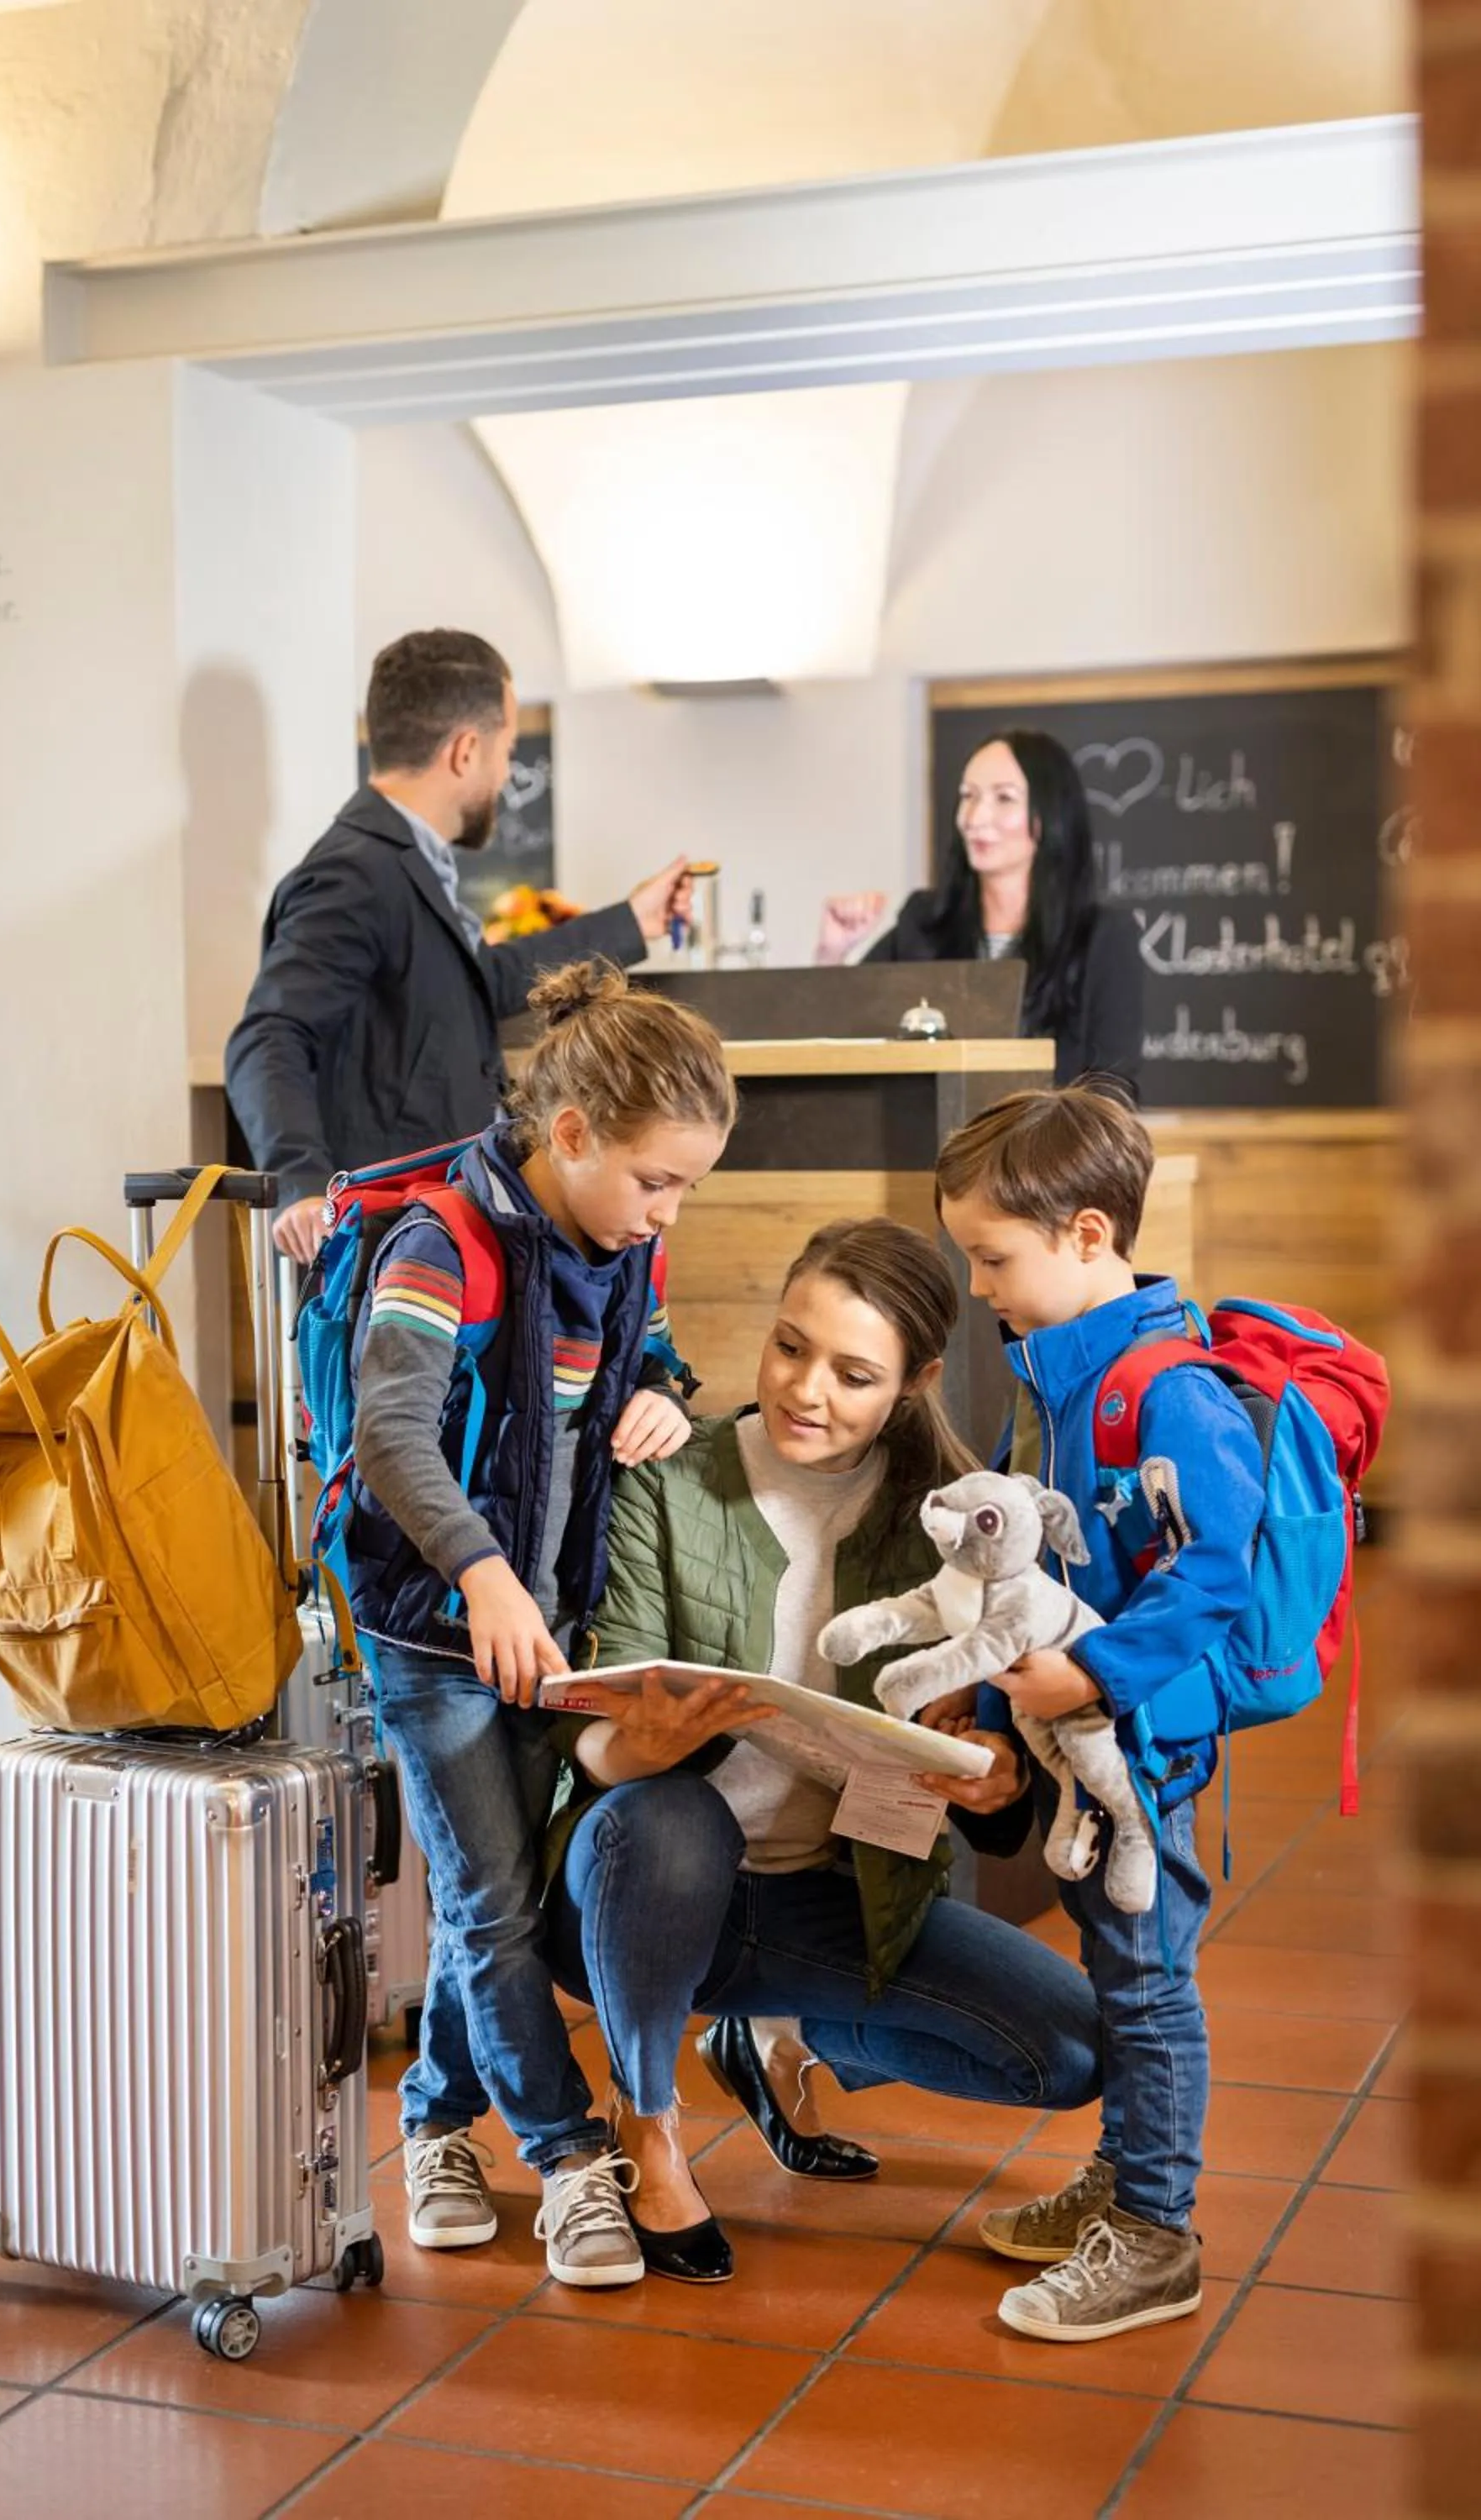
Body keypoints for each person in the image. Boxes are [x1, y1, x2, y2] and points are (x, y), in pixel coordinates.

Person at [541, 1218, 1104, 2283]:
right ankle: (646, 2131)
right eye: (789, 1347)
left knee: (1067, 2053)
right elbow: (590, 1753)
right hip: (638, 1890)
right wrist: (634, 1747)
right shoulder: (668, 1475)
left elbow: (1001, 1772)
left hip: (826, 1901)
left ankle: (781, 2037)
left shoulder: (960, 1519)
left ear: (914, 1381)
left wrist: (993, 1781)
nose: (804, 1391)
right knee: (670, 1818)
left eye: (853, 1375)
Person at [348, 959, 737, 2290]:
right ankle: (571, 2158)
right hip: (434, 1625)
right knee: (493, 1902)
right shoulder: (437, 1245)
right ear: (569, 1134)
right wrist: (482, 1576)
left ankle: (434, 2126)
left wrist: (667, 1395)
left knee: (491, 1895)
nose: (667, 1212)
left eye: (686, 1188)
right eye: (656, 1181)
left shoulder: (628, 1247)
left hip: (548, 1625)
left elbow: (649, 1357)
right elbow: (390, 1436)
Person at [932, 1082, 1262, 2341]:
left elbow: (1215, 1569)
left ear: (1084, 1235)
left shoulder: (1166, 1387)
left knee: (1146, 1982)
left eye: (992, 1258)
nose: (979, 1287)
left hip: (1144, 1746)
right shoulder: (1057, 1379)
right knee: (1115, 1962)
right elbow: (1029, 1563)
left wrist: (1100, 1676)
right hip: (1081, 1747)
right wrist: (998, 1693)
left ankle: (1157, 2235)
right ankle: (1125, 2180)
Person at [225, 627, 696, 1263]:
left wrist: (632, 923)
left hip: (434, 1230)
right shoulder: (355, 874)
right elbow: (268, 1035)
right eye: (506, 750)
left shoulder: (405, 865)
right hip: (389, 1244)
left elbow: (482, 980)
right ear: (467, 750)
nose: (505, 773)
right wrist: (302, 1185)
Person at [815, 728, 1143, 1091]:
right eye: (968, 796)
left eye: (1004, 798)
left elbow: (1113, 1087)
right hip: (929, 1129)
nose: (975, 817)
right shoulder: (923, 923)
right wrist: (833, 952)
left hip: (1048, 1131)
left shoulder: (1104, 937)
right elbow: (838, 1036)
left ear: (1051, 814)